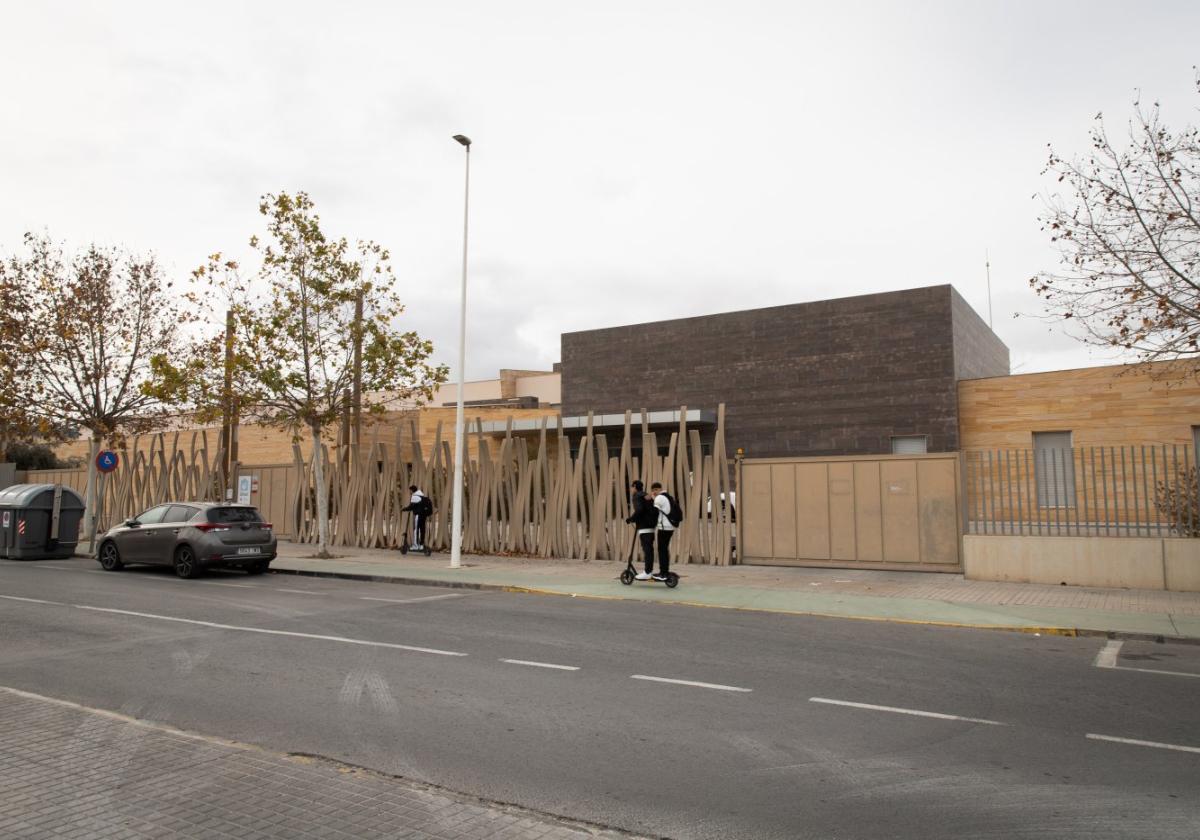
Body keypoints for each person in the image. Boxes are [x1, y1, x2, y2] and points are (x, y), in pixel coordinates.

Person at [624, 480, 657, 580]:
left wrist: (631, 519)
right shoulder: (646, 496)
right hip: (651, 526)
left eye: (632, 487)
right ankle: (649, 571)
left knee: (647, 550)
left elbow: (639, 510)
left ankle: (647, 572)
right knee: (649, 550)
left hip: (644, 526)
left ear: (634, 487)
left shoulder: (637, 496)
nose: (631, 489)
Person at [650, 482, 677, 581]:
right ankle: (665, 571)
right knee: (664, 550)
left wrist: (653, 499)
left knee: (662, 550)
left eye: (654, 490)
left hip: (664, 528)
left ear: (658, 489)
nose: (654, 492)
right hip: (670, 527)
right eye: (653, 491)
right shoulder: (668, 496)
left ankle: (663, 573)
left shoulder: (659, 498)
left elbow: (654, 511)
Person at [401, 485, 430, 549]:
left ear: (412, 490)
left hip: (418, 515)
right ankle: (421, 545)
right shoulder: (422, 496)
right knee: (422, 530)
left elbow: (411, 507)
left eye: (410, 490)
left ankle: (416, 545)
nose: (410, 492)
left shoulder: (415, 497)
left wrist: (404, 509)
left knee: (416, 530)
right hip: (423, 515)